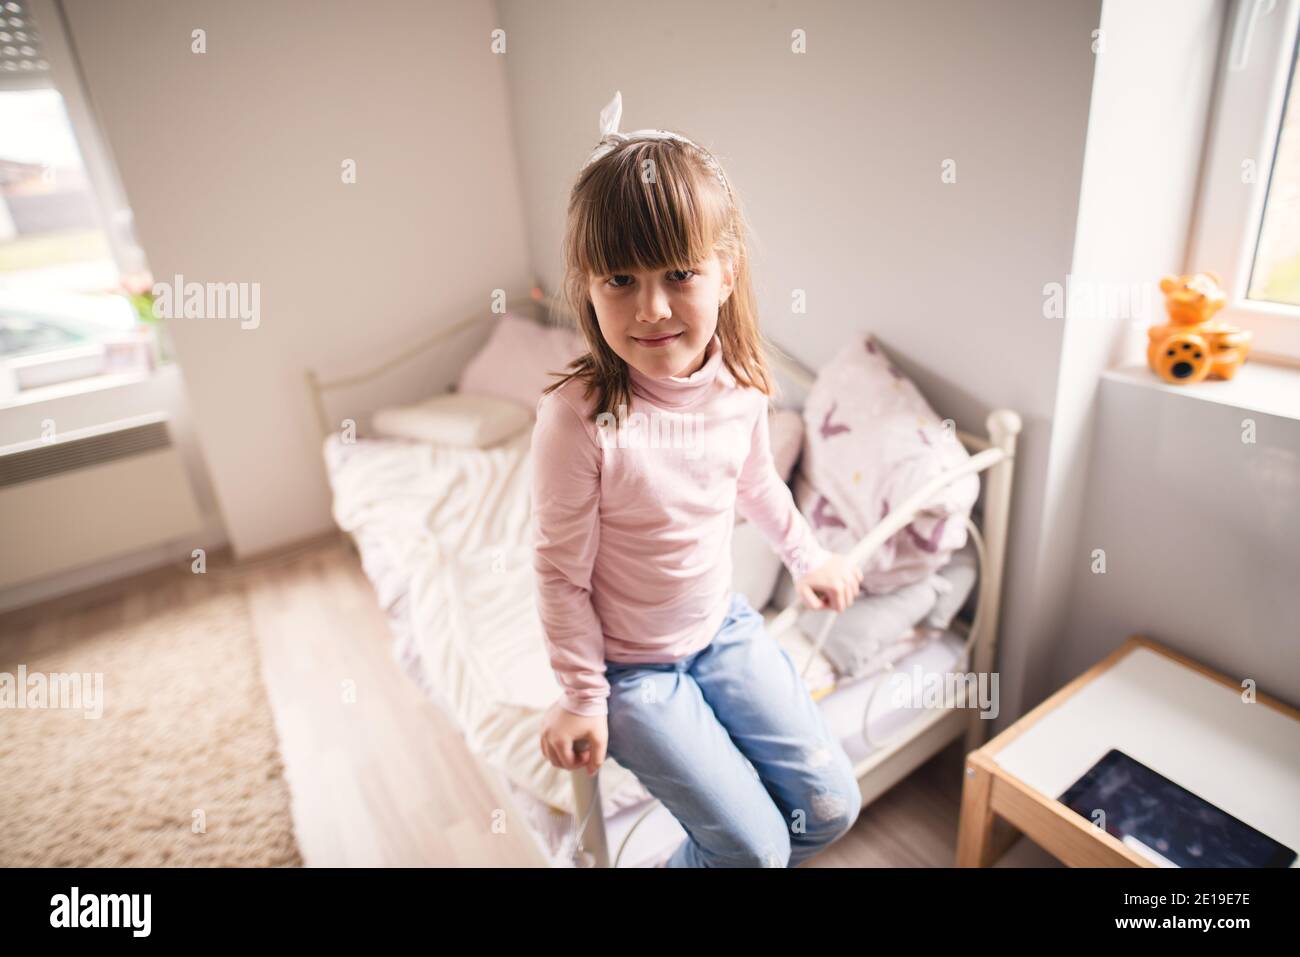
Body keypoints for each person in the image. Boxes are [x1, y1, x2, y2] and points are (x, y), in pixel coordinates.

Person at [533, 92, 863, 867]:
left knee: (829, 808)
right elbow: (558, 574)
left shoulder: (741, 383)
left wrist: (807, 556)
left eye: (678, 273)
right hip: (632, 670)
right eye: (619, 279)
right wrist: (583, 696)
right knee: (754, 852)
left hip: (721, 627)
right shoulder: (578, 418)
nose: (650, 308)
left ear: (724, 272)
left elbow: (755, 484)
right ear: (586, 284)